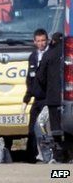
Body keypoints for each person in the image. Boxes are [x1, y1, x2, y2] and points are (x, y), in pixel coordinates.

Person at [35, 32, 66, 162]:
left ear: (52, 41)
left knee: (56, 128)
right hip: (69, 98)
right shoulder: (68, 54)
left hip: (53, 97)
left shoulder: (48, 55)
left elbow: (40, 76)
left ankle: (59, 157)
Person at [22, 28, 49, 163]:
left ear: (47, 40)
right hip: (36, 98)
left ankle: (48, 156)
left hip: (48, 98)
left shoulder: (50, 55)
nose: (41, 43)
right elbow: (30, 79)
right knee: (32, 127)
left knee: (42, 127)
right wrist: (26, 99)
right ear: (34, 42)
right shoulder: (32, 56)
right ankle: (32, 156)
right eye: (38, 41)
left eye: (43, 40)